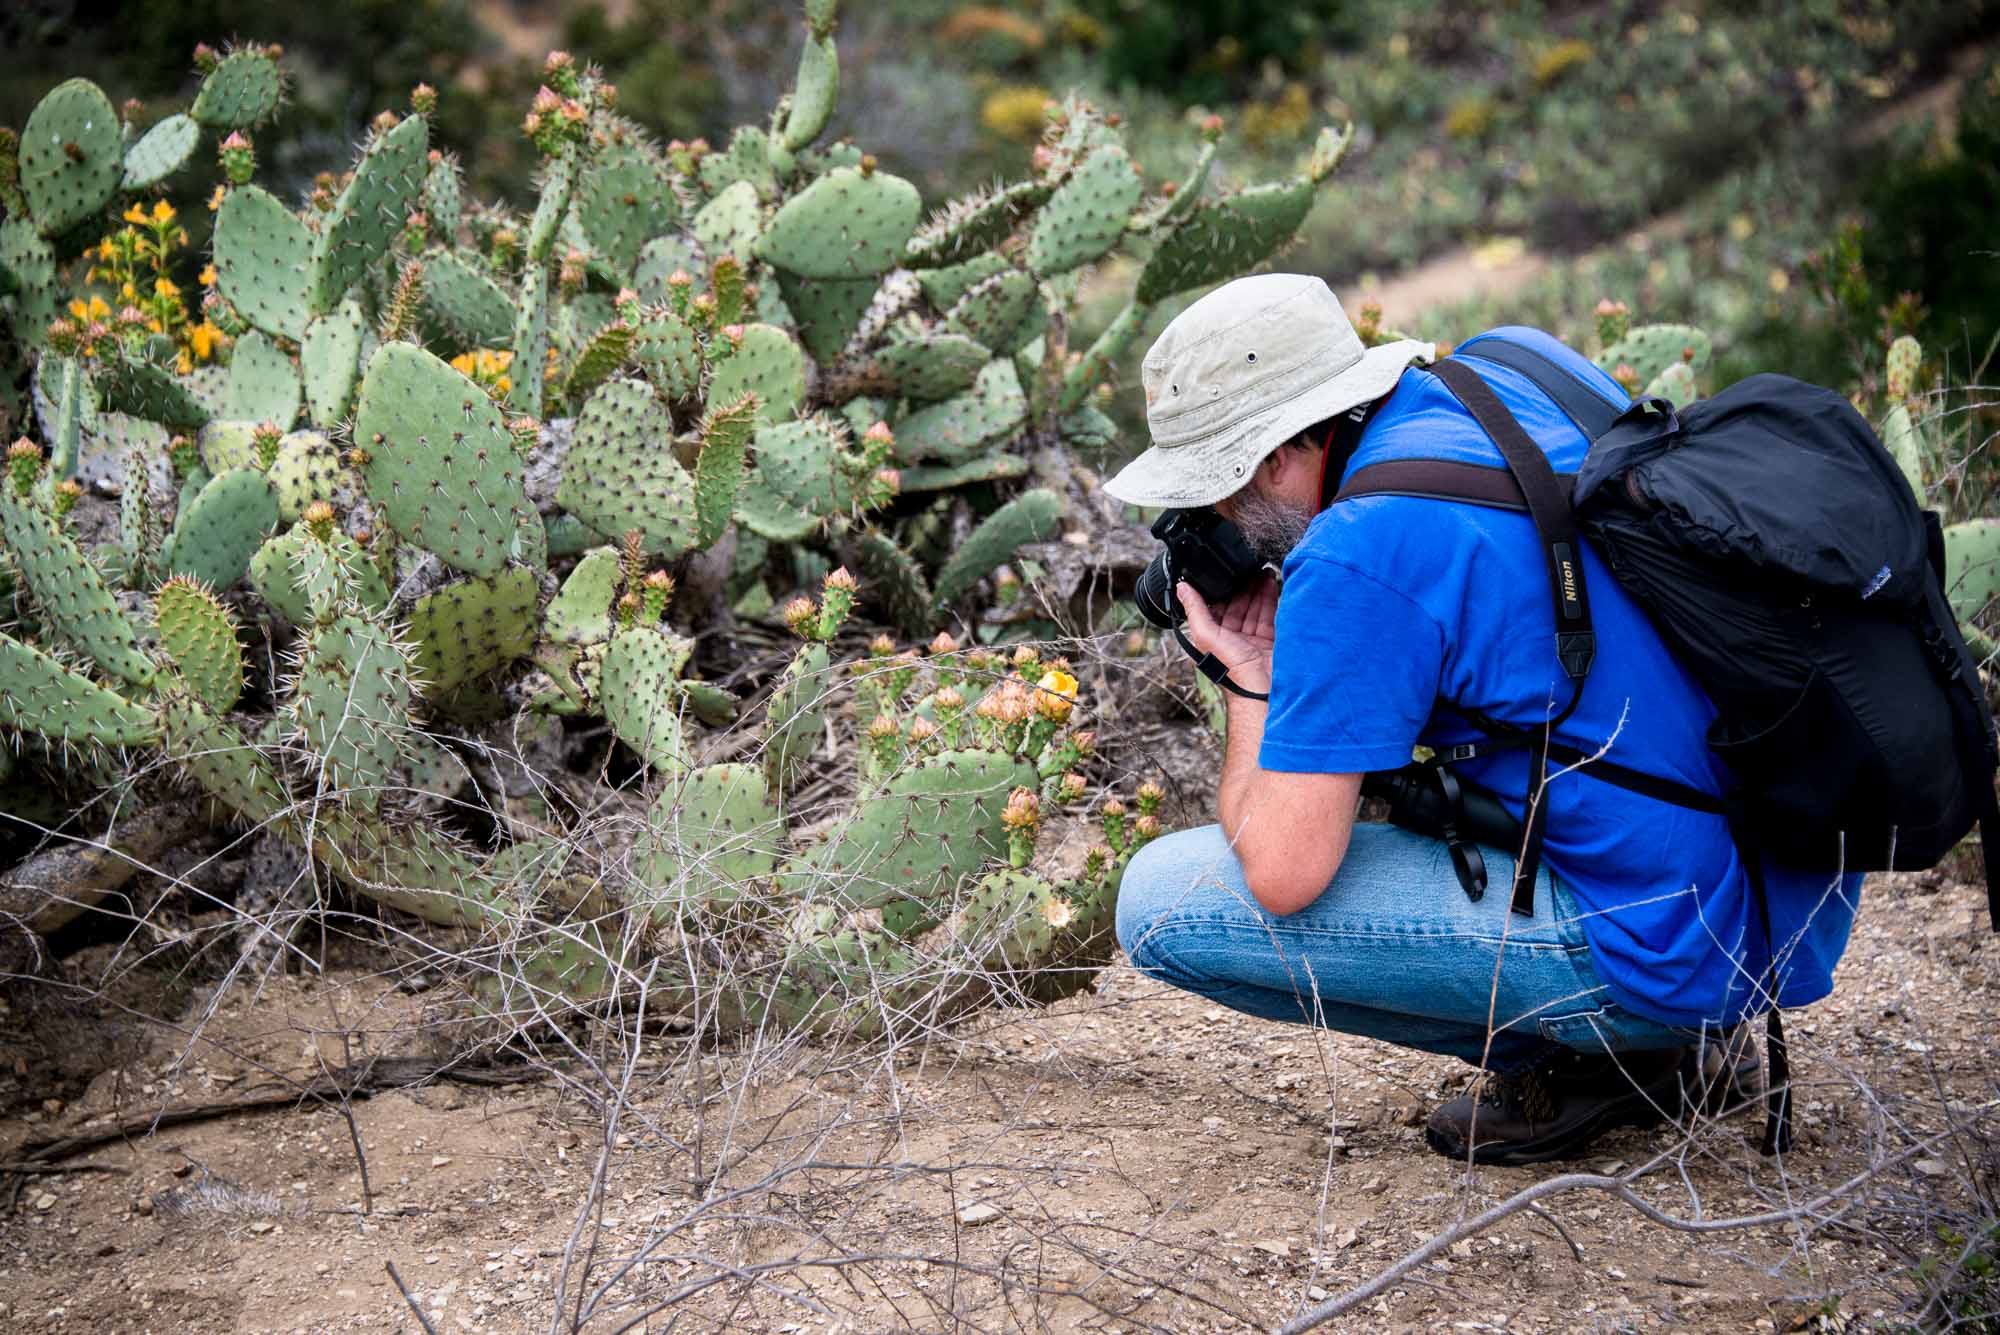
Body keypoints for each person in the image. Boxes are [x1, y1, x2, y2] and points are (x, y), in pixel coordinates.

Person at [1104, 273, 1861, 1165]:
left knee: (1159, 903)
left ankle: (1614, 1058)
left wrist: (1252, 682)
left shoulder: (1358, 553)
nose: (1212, 524)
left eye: (1213, 493)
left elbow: (1281, 872)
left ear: (1278, 456)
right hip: (1782, 886)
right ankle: (1657, 1039)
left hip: (1677, 940)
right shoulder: (1510, 367)